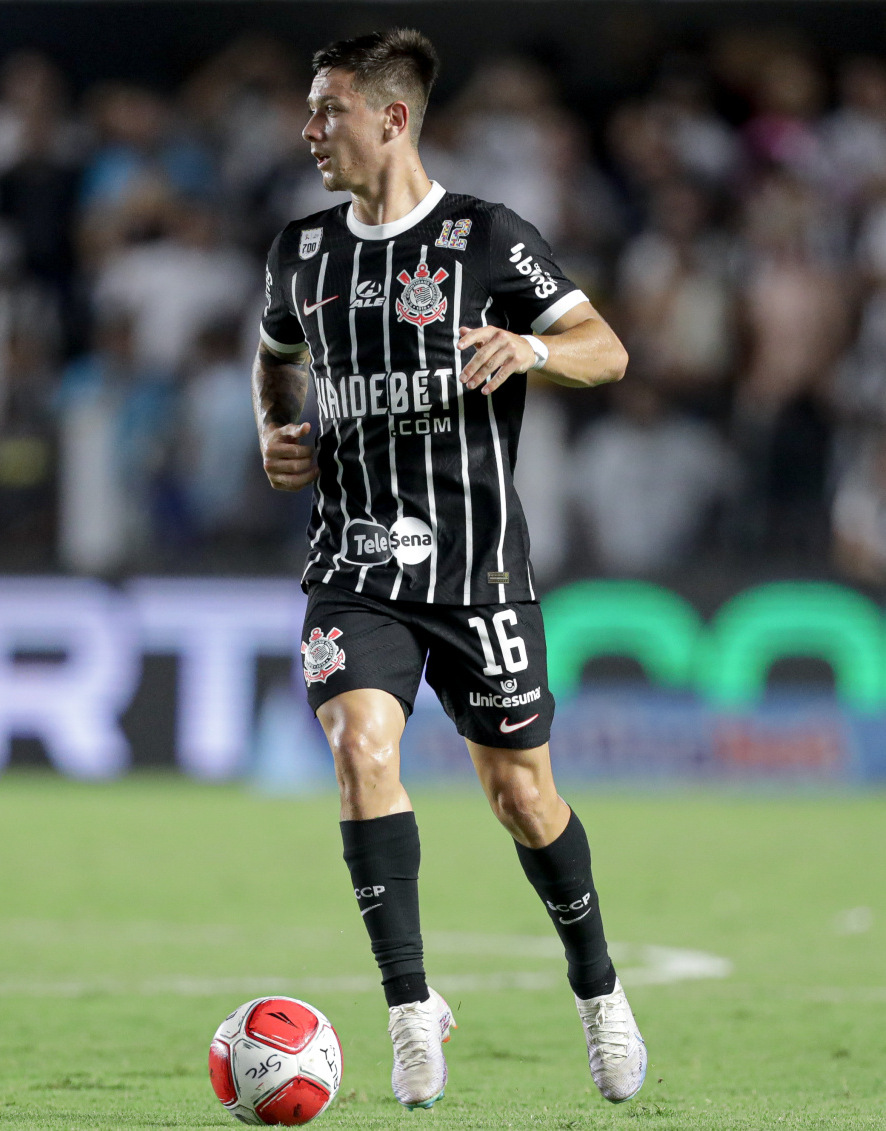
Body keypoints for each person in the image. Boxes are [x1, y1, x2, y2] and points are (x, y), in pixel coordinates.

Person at [253, 28, 644, 1111]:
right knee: (358, 745)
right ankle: (409, 1009)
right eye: (307, 107)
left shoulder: (486, 239)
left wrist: (532, 350)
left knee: (522, 797)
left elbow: (607, 348)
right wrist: (274, 434)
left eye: (325, 108)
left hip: (478, 576)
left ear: (391, 118)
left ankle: (597, 991)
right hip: (353, 569)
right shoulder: (300, 251)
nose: (307, 129)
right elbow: (275, 354)